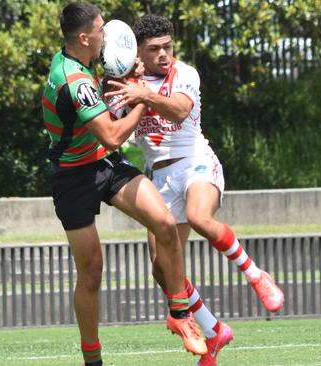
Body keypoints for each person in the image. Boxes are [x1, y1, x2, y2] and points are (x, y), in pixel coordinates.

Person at [105, 14, 285, 365]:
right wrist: (127, 94)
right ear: (138, 51)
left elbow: (180, 110)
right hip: (158, 178)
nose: (163, 55)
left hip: (195, 162)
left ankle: (256, 275)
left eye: (167, 47)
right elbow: (116, 133)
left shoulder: (184, 73)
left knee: (199, 216)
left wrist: (143, 93)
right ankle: (214, 331)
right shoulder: (125, 83)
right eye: (154, 49)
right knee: (162, 270)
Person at [43, 4, 206, 365]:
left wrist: (125, 81)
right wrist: (141, 100)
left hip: (103, 162)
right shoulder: (75, 81)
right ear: (85, 37)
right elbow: (116, 135)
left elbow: (106, 136)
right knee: (91, 271)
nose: (107, 34)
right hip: (73, 175)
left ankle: (181, 316)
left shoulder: (82, 59)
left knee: (164, 223)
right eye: (101, 29)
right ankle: (92, 358)